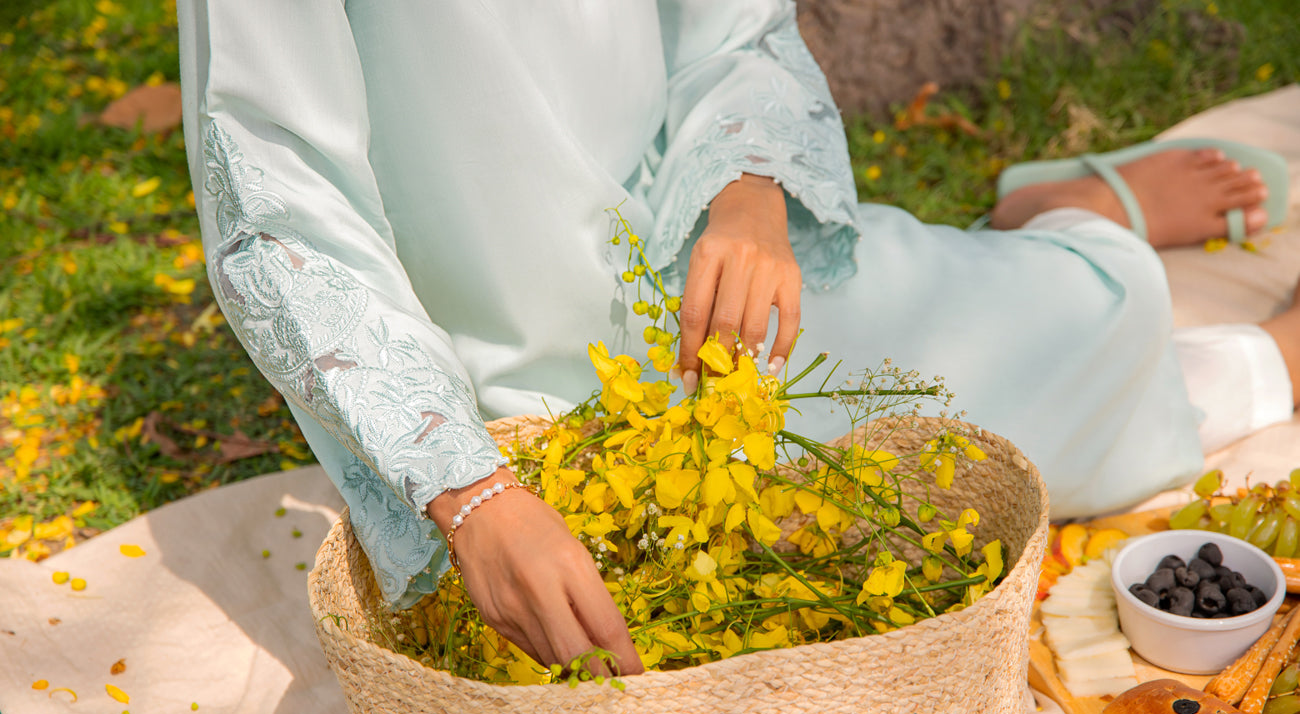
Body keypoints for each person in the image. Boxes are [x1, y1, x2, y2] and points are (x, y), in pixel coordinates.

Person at [178, 0, 1295, 676]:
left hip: (710, 270)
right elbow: (276, 201)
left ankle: (1085, 231)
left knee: (1079, 343)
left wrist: (752, 190)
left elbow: (737, 30)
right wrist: (469, 492)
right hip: (486, 394)